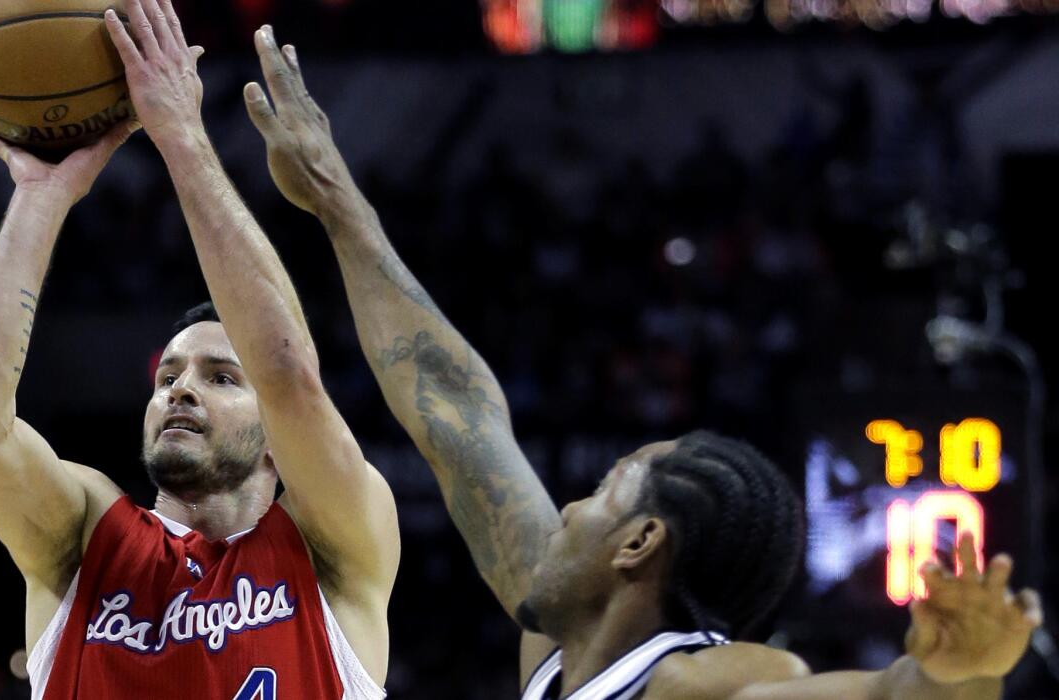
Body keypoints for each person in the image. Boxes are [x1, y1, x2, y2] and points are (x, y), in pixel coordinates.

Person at [240, 34, 1044, 699]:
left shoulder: (704, 682)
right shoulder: (556, 651)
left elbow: (878, 696)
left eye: (599, 492)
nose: (565, 512)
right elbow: (458, 417)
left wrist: (955, 674)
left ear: (639, 543)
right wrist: (336, 202)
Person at [0, 1, 398, 697]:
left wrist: (179, 133)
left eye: (221, 377)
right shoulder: (87, 536)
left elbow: (289, 373)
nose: (180, 389)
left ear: (279, 442)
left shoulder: (332, 543)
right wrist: (41, 195)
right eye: (169, 376)